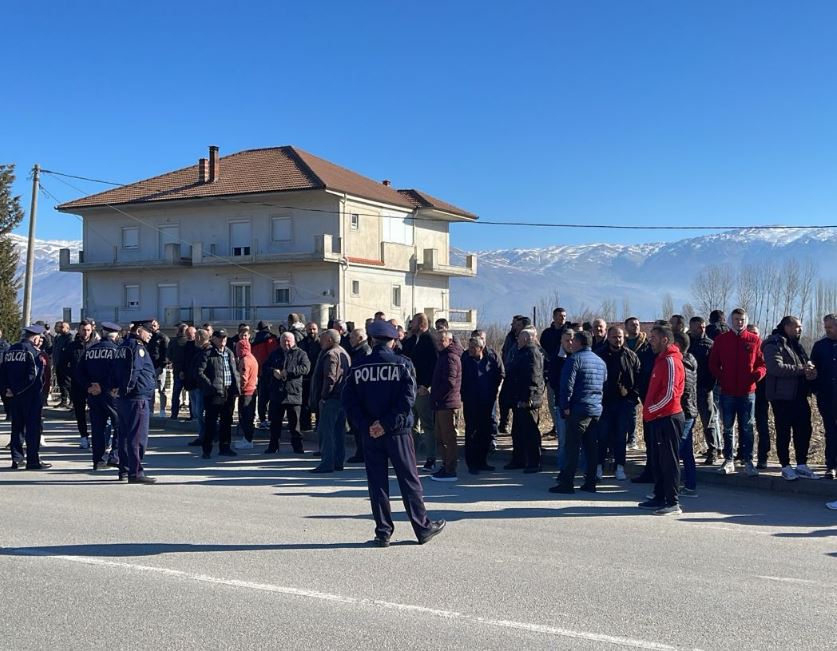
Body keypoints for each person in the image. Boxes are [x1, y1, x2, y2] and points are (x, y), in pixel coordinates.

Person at [341, 319, 445, 546]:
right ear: (392, 342)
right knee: (409, 480)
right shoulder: (403, 364)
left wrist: (367, 424)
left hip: (370, 433)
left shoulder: (358, 366)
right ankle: (422, 527)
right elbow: (407, 399)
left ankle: (383, 532)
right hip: (397, 432)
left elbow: (348, 400)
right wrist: (386, 424)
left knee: (377, 482)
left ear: (371, 340)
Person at [708, 308, 766, 477]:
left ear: (745, 320)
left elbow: (763, 364)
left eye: (741, 319)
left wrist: (756, 376)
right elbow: (713, 363)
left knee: (747, 427)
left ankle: (748, 461)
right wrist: (722, 377)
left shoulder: (754, 340)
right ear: (730, 320)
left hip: (748, 392)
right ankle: (728, 460)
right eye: (735, 319)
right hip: (727, 392)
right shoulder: (721, 340)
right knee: (727, 427)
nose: (739, 322)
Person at [762, 316, 819, 480]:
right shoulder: (773, 344)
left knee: (804, 430)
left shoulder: (797, 345)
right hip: (782, 397)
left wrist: (811, 372)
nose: (800, 330)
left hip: (800, 396)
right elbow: (775, 368)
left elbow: (805, 365)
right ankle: (785, 466)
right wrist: (802, 369)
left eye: (800, 327)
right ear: (786, 326)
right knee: (783, 432)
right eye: (797, 327)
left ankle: (801, 464)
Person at [637, 325, 686, 515]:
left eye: (654, 337)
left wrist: (650, 410)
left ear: (665, 339)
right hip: (657, 417)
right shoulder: (660, 360)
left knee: (669, 460)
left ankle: (672, 502)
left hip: (668, 417)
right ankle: (659, 495)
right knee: (657, 459)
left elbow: (669, 395)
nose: (650, 340)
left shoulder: (671, 361)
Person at [551, 330, 606, 493]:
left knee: (572, 447)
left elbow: (567, 385)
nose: (570, 343)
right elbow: (604, 384)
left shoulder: (574, 360)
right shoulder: (600, 361)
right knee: (591, 447)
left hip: (577, 409)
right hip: (595, 409)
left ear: (580, 343)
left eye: (573, 341)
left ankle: (567, 483)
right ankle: (591, 482)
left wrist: (565, 406)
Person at [0, 324, 51, 470]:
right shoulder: (32, 352)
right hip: (30, 395)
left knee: (17, 428)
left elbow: (2, 372)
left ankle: (17, 459)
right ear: (35, 338)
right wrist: (18, 390)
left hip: (13, 396)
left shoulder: (10, 350)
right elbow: (33, 375)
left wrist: (7, 390)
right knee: (32, 429)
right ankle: (33, 461)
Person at [112, 320, 157, 483]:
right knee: (137, 436)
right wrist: (127, 388)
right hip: (136, 397)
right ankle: (136, 472)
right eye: (148, 330)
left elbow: (115, 369)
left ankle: (124, 470)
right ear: (139, 331)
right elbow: (134, 370)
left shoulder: (122, 346)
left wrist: (117, 388)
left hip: (125, 398)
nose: (151, 333)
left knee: (124, 435)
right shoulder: (137, 347)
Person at [75, 322, 123, 472]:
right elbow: (116, 372)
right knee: (119, 424)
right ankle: (115, 456)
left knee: (98, 428)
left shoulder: (90, 350)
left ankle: (98, 460)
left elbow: (79, 372)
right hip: (110, 394)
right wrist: (104, 386)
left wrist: (89, 386)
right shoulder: (116, 350)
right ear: (116, 336)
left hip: (93, 395)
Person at [595, 326, 640, 481]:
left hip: (623, 403)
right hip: (604, 403)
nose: (618, 339)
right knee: (602, 436)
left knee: (621, 437)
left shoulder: (631, 356)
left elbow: (638, 378)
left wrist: (632, 398)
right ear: (608, 337)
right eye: (614, 337)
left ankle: (620, 467)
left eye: (620, 337)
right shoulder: (599, 355)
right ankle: (598, 466)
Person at [461, 334, 504, 474]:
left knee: (485, 432)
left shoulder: (491, 358)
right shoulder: (465, 359)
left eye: (474, 347)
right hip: (471, 401)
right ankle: (472, 463)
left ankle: (482, 461)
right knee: (471, 432)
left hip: (488, 401)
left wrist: (496, 389)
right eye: (470, 347)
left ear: (481, 348)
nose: (471, 350)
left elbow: (501, 373)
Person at [504, 326, 545, 473]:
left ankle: (534, 462)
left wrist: (528, 398)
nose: (517, 340)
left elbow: (534, 377)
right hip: (518, 398)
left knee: (530, 432)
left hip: (528, 400)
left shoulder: (532, 353)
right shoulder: (522, 352)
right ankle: (519, 459)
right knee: (518, 431)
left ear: (526, 339)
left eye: (519, 338)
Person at [309, 329, 351, 473]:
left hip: (331, 399)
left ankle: (327, 463)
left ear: (330, 340)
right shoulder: (343, 352)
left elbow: (330, 378)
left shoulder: (331, 354)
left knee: (327, 432)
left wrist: (323, 396)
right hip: (342, 398)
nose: (320, 341)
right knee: (339, 432)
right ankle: (338, 462)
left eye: (323, 338)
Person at [196, 329, 241, 459]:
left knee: (227, 421)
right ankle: (207, 449)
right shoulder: (208, 353)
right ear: (213, 339)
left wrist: (236, 388)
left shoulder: (229, 353)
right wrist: (211, 387)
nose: (223, 341)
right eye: (220, 338)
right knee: (211, 422)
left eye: (225, 338)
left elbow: (234, 371)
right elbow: (199, 372)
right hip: (214, 394)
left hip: (228, 392)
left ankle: (225, 447)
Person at [263, 332, 311, 454]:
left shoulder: (301, 353)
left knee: (295, 424)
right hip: (277, 394)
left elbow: (305, 368)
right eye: (284, 341)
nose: (286, 343)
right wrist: (273, 371)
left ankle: (298, 447)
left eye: (289, 340)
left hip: (293, 394)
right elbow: (265, 367)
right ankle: (273, 446)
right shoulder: (274, 353)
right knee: (275, 423)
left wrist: (288, 372)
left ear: (294, 341)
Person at [402, 313, 438, 471]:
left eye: (414, 322)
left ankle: (431, 458)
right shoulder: (411, 341)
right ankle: (410, 457)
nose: (411, 324)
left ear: (422, 324)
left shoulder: (429, 341)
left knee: (427, 425)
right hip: (409, 389)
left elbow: (434, 365)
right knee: (410, 425)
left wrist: (427, 385)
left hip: (422, 389)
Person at [429, 329, 463, 481]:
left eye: (442, 340)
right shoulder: (442, 356)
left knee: (448, 439)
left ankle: (450, 469)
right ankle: (445, 466)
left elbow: (449, 382)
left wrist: (435, 395)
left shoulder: (450, 357)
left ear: (450, 341)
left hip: (447, 403)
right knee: (440, 438)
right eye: (437, 341)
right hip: (441, 403)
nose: (439, 343)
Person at [688, 316, 721, 465]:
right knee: (688, 421)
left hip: (705, 388)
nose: (700, 329)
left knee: (709, 421)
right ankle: (686, 451)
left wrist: (710, 386)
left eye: (702, 326)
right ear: (691, 327)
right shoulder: (686, 343)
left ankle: (713, 450)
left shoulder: (711, 345)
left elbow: (715, 367)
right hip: (688, 390)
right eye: (697, 327)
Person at [810, 314, 837, 480]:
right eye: (825, 328)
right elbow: (813, 369)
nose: (827, 330)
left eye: (831, 327)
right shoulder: (820, 346)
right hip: (827, 396)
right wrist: (816, 390)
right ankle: (831, 465)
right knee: (831, 431)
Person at [674, 331, 698, 497]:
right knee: (686, 451)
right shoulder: (690, 360)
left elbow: (681, 392)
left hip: (684, 412)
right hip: (690, 411)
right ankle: (690, 484)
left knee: (676, 450)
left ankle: (673, 486)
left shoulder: (682, 365)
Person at [548, 328, 575, 472]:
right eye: (567, 340)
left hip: (578, 406)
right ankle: (563, 470)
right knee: (563, 441)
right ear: (561, 341)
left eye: (572, 340)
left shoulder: (579, 356)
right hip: (562, 404)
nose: (570, 343)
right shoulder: (556, 359)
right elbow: (553, 381)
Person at [66, 320, 95, 449]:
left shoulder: (96, 345)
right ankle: (84, 437)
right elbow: (62, 365)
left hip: (93, 385)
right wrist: (70, 378)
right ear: (79, 330)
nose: (86, 332)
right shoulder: (72, 346)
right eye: (84, 330)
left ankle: (98, 437)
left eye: (88, 330)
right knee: (79, 412)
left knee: (96, 412)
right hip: (77, 385)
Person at [747, 324, 771, 468]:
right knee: (745, 425)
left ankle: (763, 457)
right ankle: (743, 454)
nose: (753, 336)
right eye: (751, 333)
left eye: (755, 333)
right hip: (746, 391)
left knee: (762, 425)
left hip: (761, 393)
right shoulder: (743, 349)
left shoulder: (764, 350)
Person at [184, 328, 210, 446]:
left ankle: (205, 436)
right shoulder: (196, 349)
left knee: (200, 412)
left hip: (200, 386)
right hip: (193, 385)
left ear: (199, 337)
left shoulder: (207, 351)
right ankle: (203, 435)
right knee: (196, 412)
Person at [251, 321, 279, 429]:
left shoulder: (254, 340)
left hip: (259, 373)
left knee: (262, 398)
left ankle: (262, 419)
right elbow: (273, 355)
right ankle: (271, 419)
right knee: (272, 397)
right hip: (270, 372)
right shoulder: (270, 339)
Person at [234, 338, 258, 449]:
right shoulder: (252, 358)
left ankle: (248, 440)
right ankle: (247, 439)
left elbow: (243, 378)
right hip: (252, 391)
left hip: (246, 392)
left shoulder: (244, 360)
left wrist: (238, 390)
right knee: (249, 416)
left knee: (245, 417)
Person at [299, 321, 322, 432]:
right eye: (309, 329)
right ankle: (305, 425)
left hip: (317, 377)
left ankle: (318, 425)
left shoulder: (321, 343)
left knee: (318, 401)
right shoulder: (302, 343)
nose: (311, 331)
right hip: (305, 378)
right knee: (304, 403)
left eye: (313, 329)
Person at [167, 323, 191, 419]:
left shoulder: (173, 342)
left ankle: (174, 414)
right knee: (191, 394)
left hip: (177, 370)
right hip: (188, 370)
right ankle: (193, 415)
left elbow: (169, 356)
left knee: (176, 393)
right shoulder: (190, 342)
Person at [147, 319, 170, 416]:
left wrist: (162, 365)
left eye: (154, 325)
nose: (152, 327)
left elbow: (166, 353)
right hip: (149, 367)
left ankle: (162, 410)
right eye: (151, 325)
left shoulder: (163, 337)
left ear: (158, 326)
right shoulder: (149, 337)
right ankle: (150, 410)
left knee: (161, 389)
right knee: (150, 389)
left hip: (159, 367)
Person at [52, 321, 73, 408]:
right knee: (61, 383)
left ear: (67, 328)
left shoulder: (69, 338)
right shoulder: (59, 338)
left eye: (62, 327)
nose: (60, 328)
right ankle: (63, 400)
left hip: (66, 365)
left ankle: (72, 401)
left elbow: (68, 351)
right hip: (58, 364)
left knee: (67, 383)